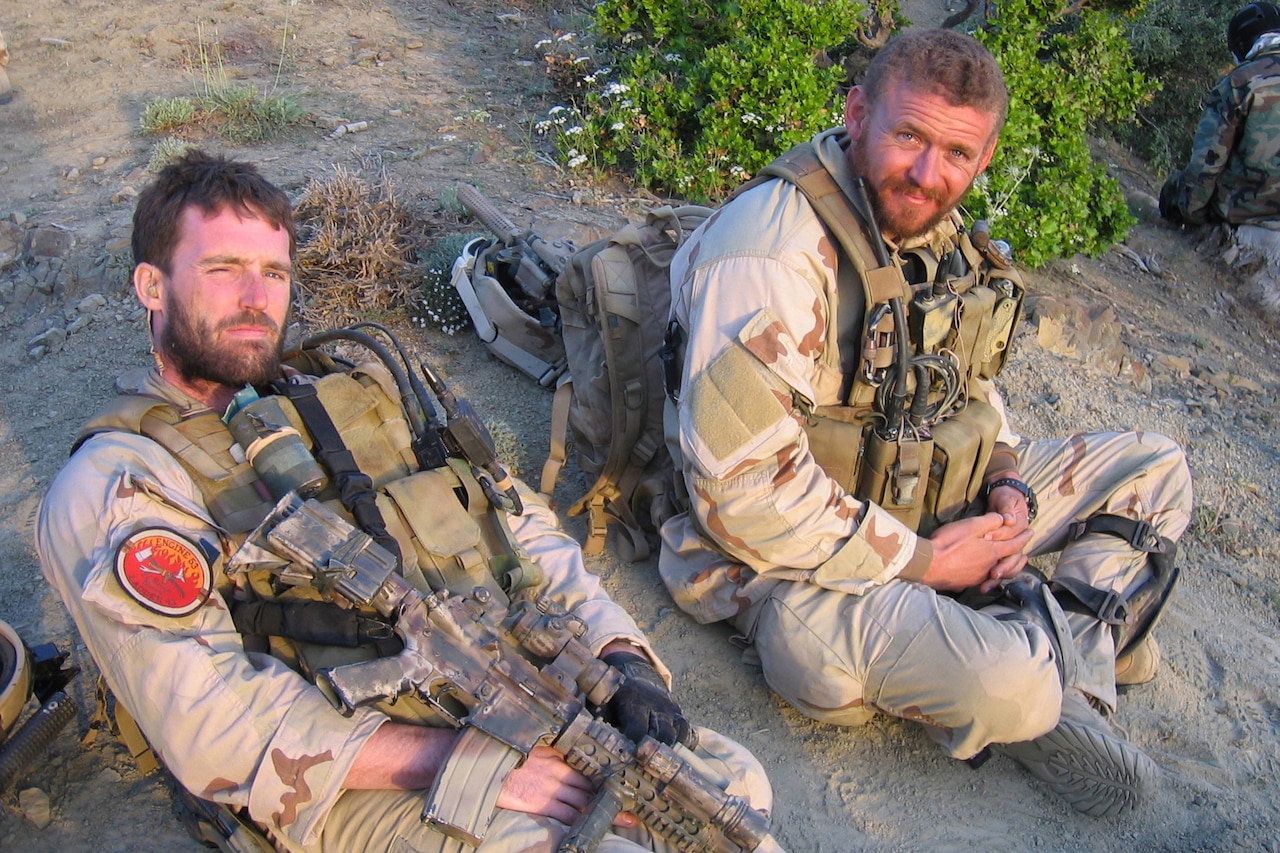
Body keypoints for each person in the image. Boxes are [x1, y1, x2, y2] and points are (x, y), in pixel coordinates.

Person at [35, 150, 774, 853]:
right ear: (151, 286)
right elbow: (213, 725)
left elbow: (518, 528)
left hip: (510, 688)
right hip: (345, 768)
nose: (257, 300)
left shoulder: (353, 391)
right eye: (223, 270)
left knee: (732, 786)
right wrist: (469, 759)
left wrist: (623, 658)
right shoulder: (121, 482)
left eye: (273, 271)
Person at [659, 28, 1192, 818]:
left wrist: (1006, 478)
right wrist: (923, 561)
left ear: (985, 155)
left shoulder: (936, 229)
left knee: (1156, 469)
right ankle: (1040, 668)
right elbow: (738, 494)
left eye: (955, 153)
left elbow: (965, 384)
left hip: (923, 497)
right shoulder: (772, 253)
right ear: (858, 114)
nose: (926, 173)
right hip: (782, 557)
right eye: (908, 136)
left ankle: (1052, 668)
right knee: (994, 682)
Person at [1160, 2, 1280, 317]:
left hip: (1247, 215)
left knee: (1175, 188)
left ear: (1243, 44)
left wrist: (1189, 212)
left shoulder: (1241, 81)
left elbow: (1205, 167)